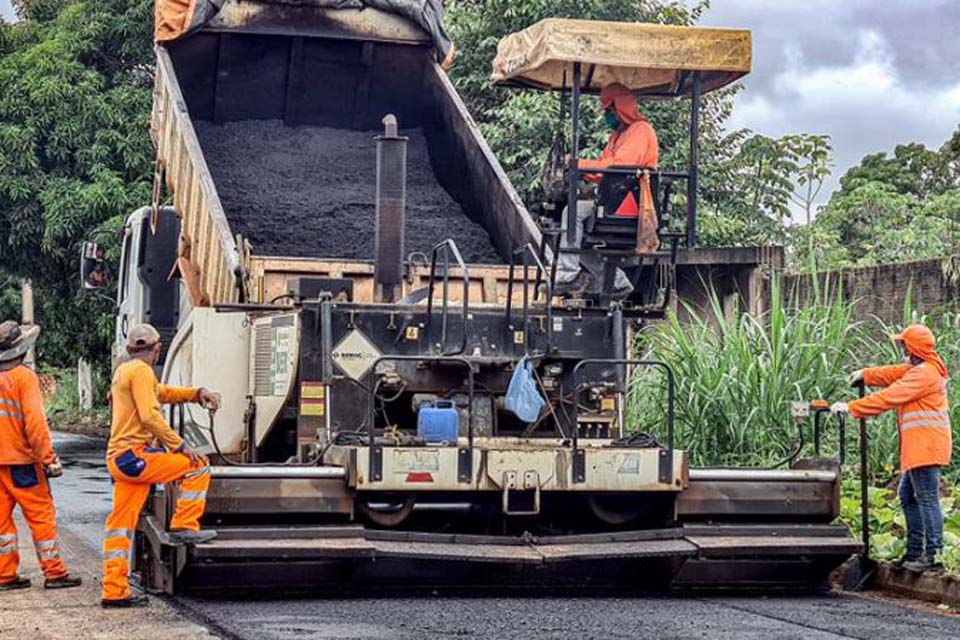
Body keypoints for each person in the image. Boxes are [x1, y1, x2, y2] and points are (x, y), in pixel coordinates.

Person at [101, 323, 221, 608]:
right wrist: (180, 445)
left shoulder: (125, 371)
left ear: (130, 349)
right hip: (135, 457)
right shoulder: (142, 371)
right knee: (198, 465)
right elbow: (150, 417)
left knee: (119, 527)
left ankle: (114, 591)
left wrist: (196, 393)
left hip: (120, 459)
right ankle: (184, 525)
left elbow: (161, 392)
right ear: (157, 350)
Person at [832, 324, 951, 573]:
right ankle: (915, 552)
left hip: (926, 448)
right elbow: (892, 374)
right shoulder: (922, 368)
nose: (902, 349)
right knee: (907, 496)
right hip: (922, 448)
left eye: (904, 345)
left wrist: (852, 408)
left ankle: (934, 556)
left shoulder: (924, 374)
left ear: (914, 347)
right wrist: (866, 374)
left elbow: (891, 395)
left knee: (927, 500)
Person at [555, 83, 660, 298]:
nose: (606, 117)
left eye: (609, 111)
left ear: (620, 107)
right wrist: (578, 168)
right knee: (572, 231)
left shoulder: (640, 131)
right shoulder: (617, 136)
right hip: (613, 199)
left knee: (572, 213)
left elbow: (617, 167)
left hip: (629, 203)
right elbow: (602, 170)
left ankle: (567, 275)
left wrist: (579, 164)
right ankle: (617, 281)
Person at [0, 321, 82, 591]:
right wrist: (48, 459)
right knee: (41, 516)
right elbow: (35, 424)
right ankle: (54, 572)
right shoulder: (24, 377)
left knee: (1, 521)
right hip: (22, 463)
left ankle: (4, 575)